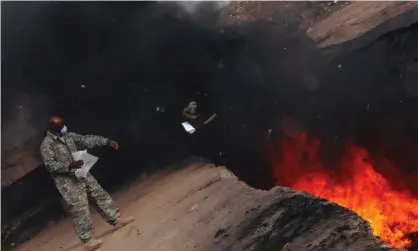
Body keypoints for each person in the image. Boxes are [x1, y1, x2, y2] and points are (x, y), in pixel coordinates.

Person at [40, 116, 134, 251]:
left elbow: (85, 140)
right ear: (52, 128)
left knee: (100, 195)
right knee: (80, 210)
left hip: (82, 174)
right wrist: (69, 165)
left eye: (63, 125)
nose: (63, 128)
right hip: (69, 183)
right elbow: (50, 165)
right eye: (60, 127)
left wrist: (105, 141)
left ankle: (116, 220)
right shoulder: (46, 145)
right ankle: (88, 241)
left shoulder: (68, 136)